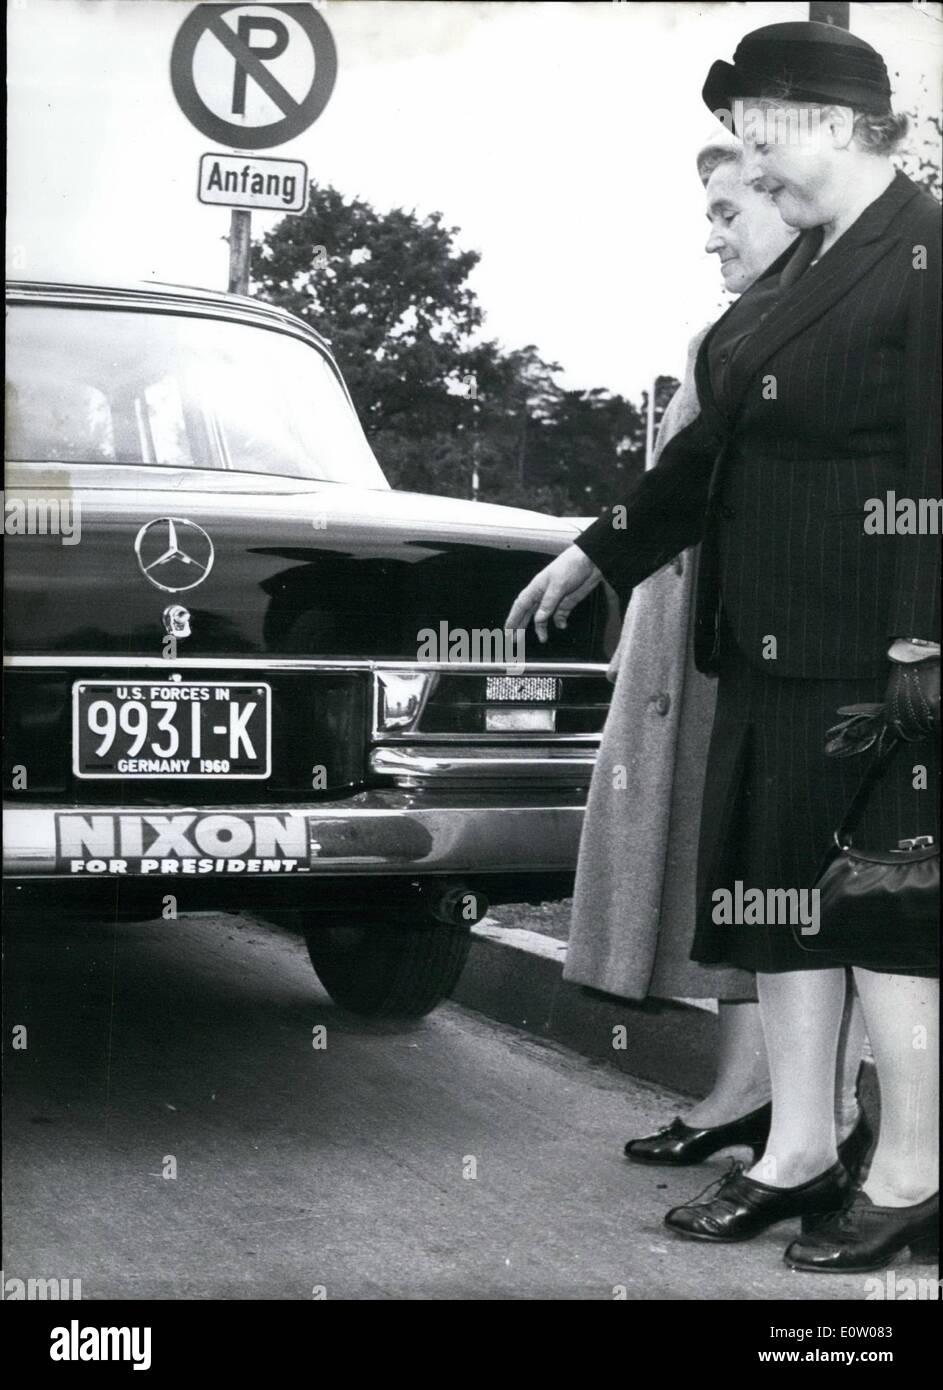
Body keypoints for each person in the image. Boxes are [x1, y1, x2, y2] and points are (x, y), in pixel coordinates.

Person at [507, 22, 939, 1273]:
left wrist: (924, 642)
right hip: (766, 648)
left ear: (839, 125)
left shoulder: (926, 253)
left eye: (764, 136)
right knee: (785, 916)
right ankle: (796, 1150)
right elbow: (712, 451)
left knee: (889, 918)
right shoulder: (806, 267)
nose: (753, 162)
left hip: (879, 663)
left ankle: (911, 1172)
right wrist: (601, 547)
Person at [566, 129, 871, 1170]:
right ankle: (756, 1097)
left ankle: (795, 1114)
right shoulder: (738, 326)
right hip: (714, 636)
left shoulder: (814, 327)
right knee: (753, 870)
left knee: (784, 873)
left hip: (770, 639)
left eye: (728, 211)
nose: (710, 237)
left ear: (790, 203)